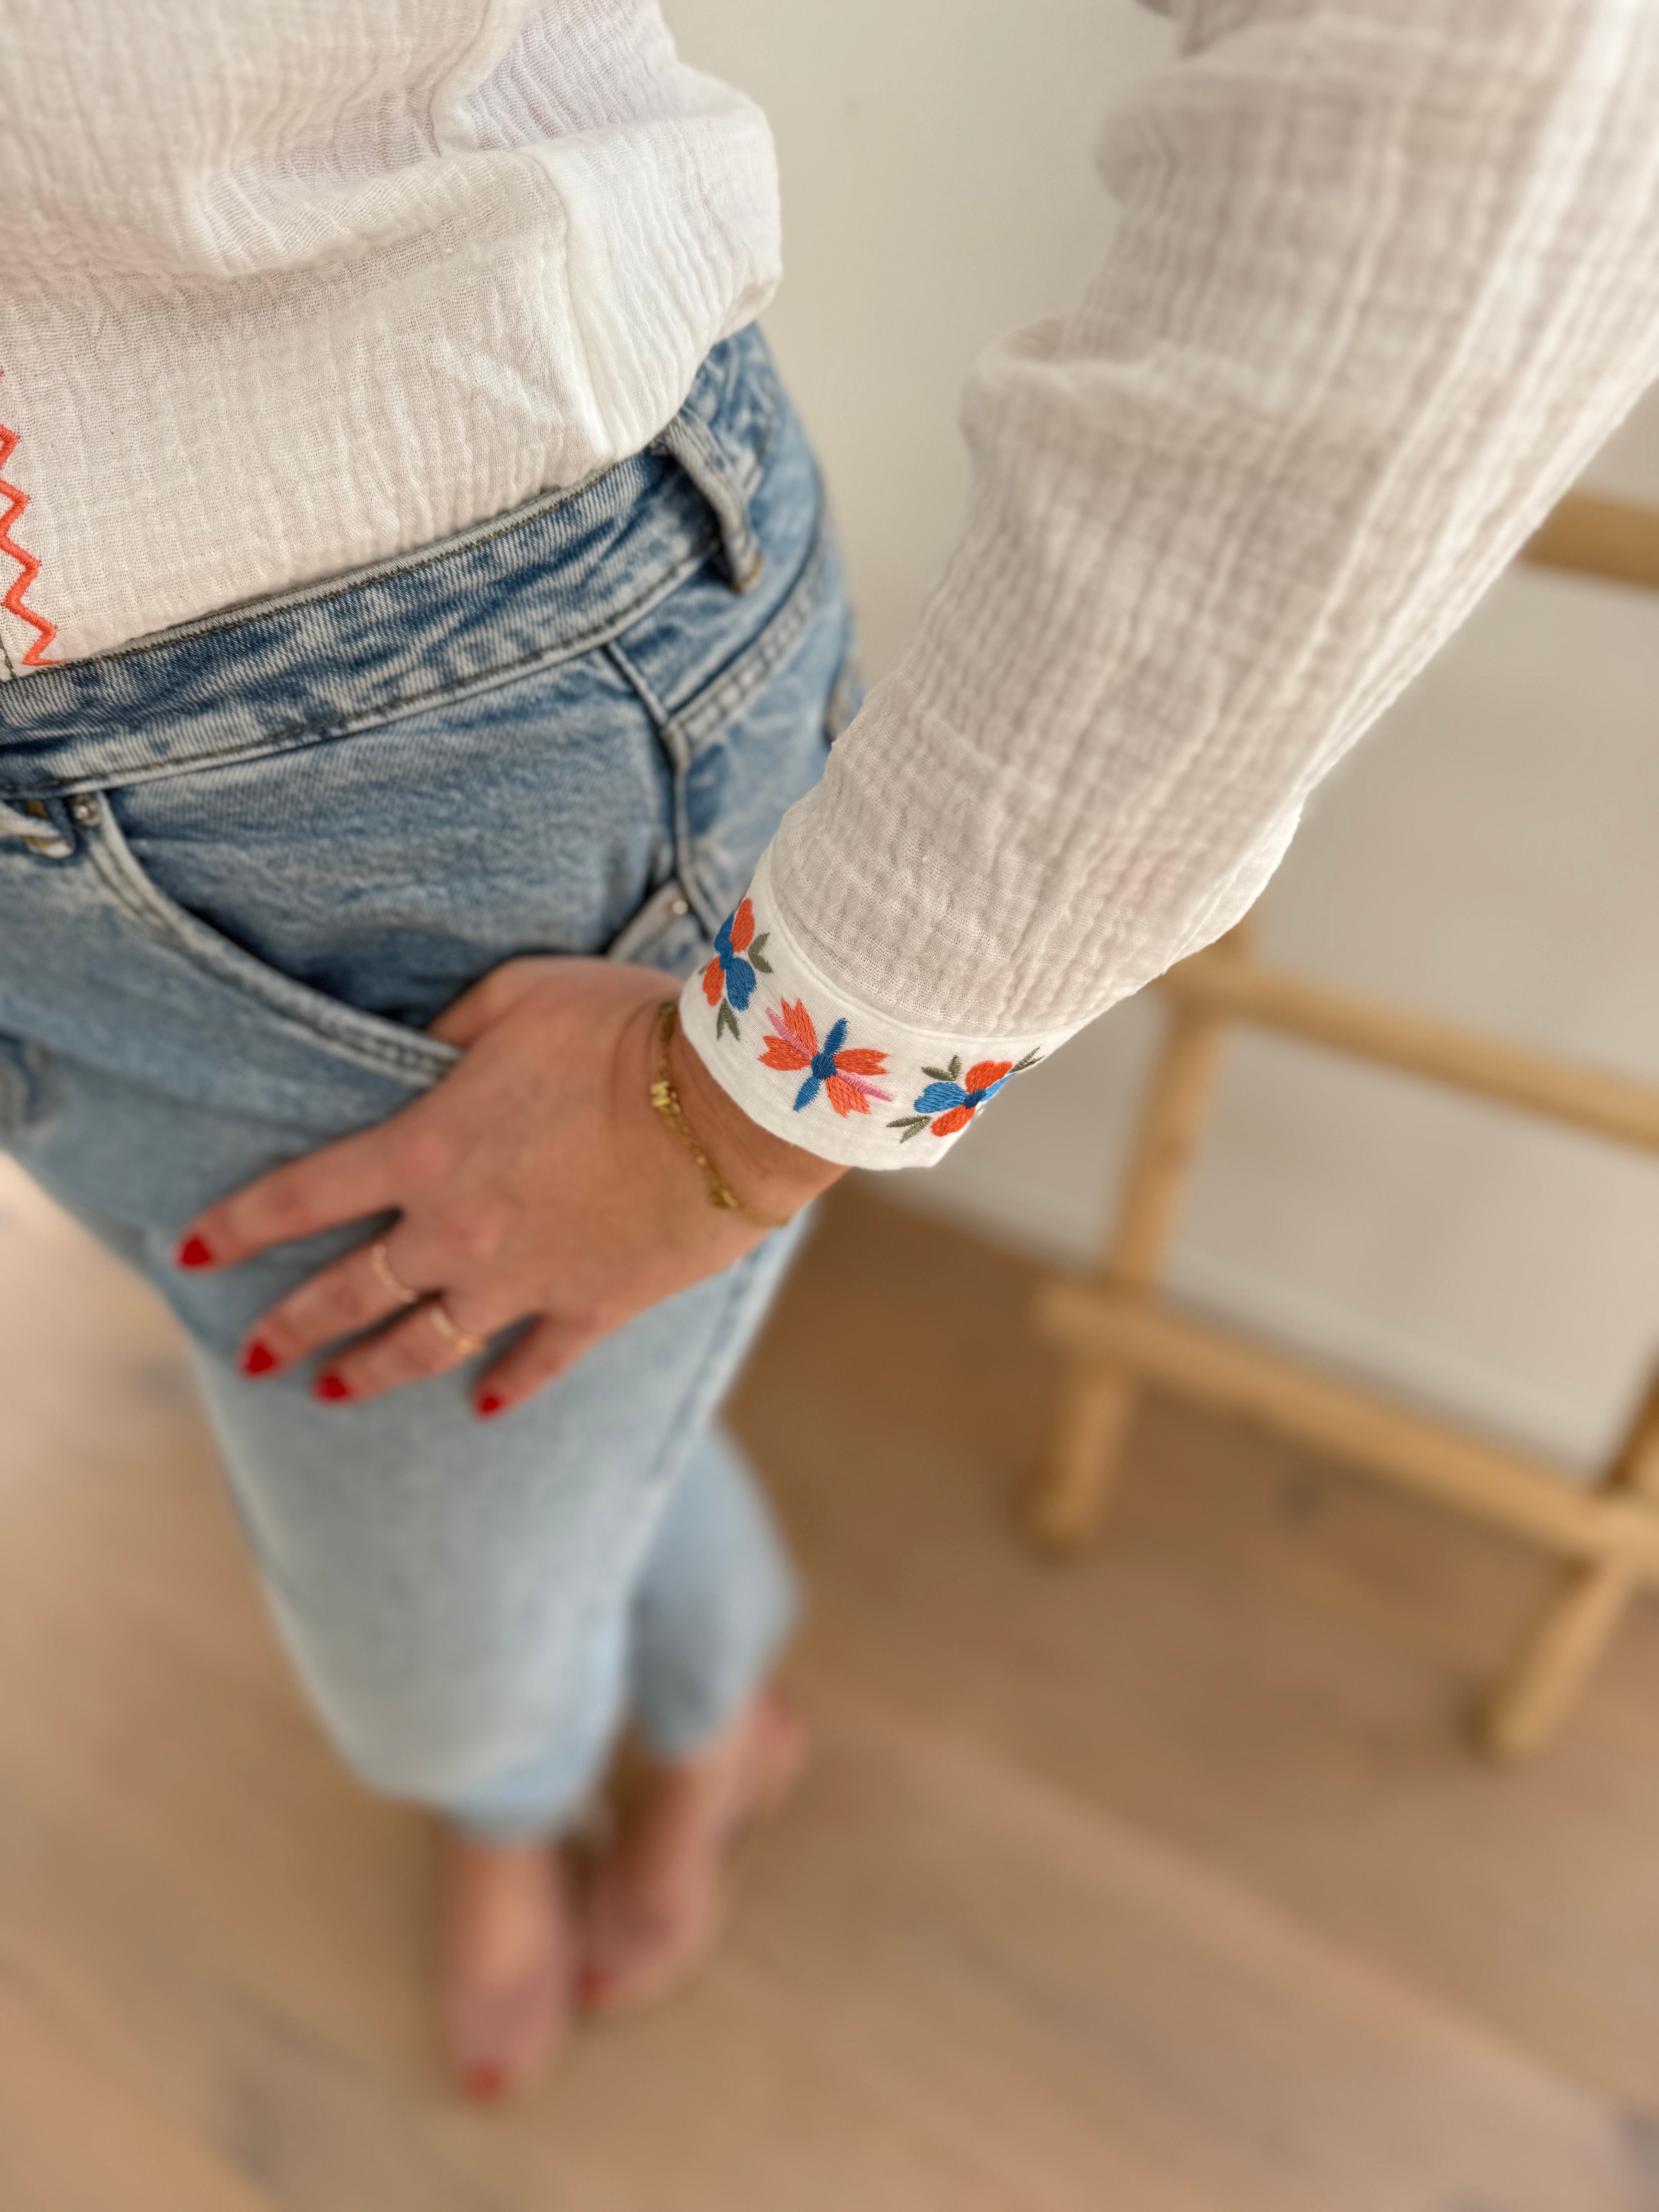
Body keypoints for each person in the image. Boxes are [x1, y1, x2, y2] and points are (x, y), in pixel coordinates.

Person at [2, 0, 1656, 2102]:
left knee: (432, 1669)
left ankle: (601, 1762)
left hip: (406, 752)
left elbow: (1518, 92)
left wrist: (754, 1105)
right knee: (468, 1404)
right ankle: (684, 1699)